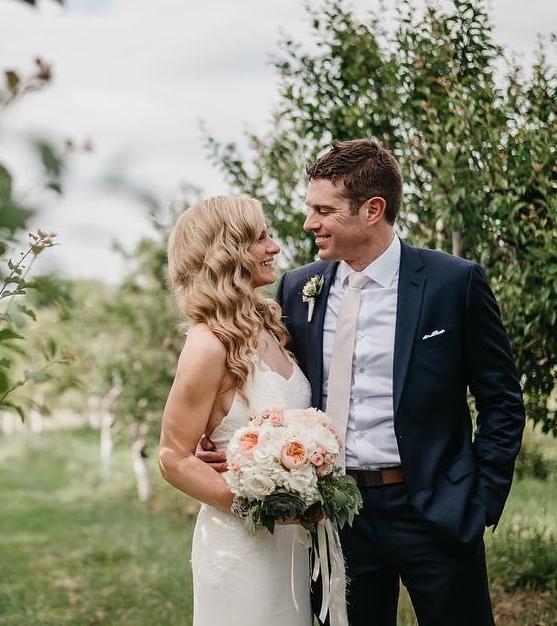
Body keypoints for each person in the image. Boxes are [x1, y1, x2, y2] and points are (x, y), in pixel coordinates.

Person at [199, 138, 525, 626]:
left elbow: (502, 400)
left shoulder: (453, 283)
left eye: (323, 210)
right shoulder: (297, 287)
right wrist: (231, 440)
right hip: (333, 513)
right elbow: (278, 384)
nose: (309, 223)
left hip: (436, 509)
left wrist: (480, 500)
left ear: (372, 210)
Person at [158, 195, 314, 626]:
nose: (274, 247)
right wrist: (258, 506)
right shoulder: (208, 344)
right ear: (227, 253)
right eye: (259, 238)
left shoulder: (270, 326)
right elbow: (172, 457)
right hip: (240, 545)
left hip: (292, 544)